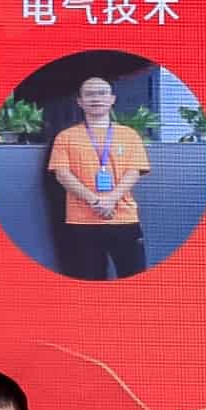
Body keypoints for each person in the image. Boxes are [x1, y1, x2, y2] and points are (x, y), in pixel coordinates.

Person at [47, 74, 152, 281]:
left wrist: (111, 199)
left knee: (134, 278)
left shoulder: (129, 135)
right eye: (89, 94)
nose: (96, 98)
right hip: (82, 221)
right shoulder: (66, 137)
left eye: (102, 93)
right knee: (89, 280)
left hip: (123, 218)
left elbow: (134, 171)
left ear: (112, 99)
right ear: (80, 101)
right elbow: (62, 174)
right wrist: (95, 201)